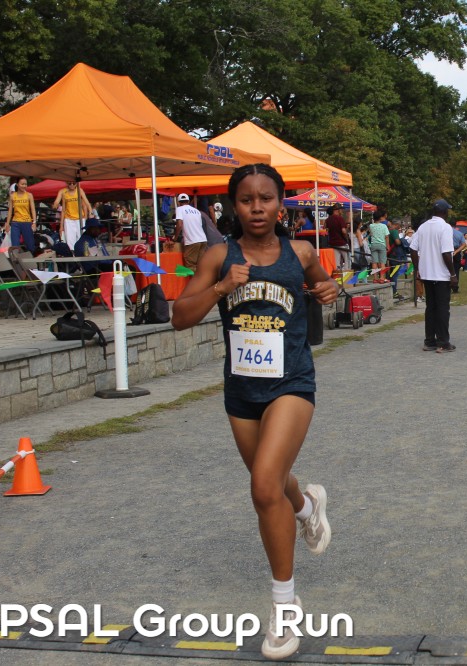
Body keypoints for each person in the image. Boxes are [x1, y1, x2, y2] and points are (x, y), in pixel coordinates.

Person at [171, 163, 338, 661]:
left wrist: (329, 290)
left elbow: (326, 286)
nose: (257, 208)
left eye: (266, 198)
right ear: (233, 206)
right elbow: (179, 317)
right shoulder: (218, 256)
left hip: (292, 382)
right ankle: (306, 507)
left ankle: (284, 609)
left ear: (280, 204)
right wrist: (222, 288)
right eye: (247, 200)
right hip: (242, 390)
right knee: (274, 481)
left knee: (264, 485)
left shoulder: (300, 252)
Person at [409, 200, 458, 351]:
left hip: (427, 274)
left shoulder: (423, 227)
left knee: (430, 308)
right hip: (441, 275)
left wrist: (417, 268)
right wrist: (453, 274)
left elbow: (413, 249)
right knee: (442, 309)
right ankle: (443, 342)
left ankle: (429, 341)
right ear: (444, 212)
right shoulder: (445, 227)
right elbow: (446, 253)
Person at [51, 180, 92, 251]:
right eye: (70, 183)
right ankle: (73, 254)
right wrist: (61, 226)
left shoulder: (79, 190)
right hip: (68, 219)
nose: (72, 185)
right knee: (70, 241)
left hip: (80, 219)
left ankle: (82, 253)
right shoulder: (63, 191)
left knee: (82, 238)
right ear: (66, 183)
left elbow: (87, 203)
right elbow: (60, 205)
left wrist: (90, 213)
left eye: (74, 183)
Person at [173, 193, 209, 272]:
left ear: (178, 202)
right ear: (188, 201)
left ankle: (195, 280)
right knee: (201, 266)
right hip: (203, 239)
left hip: (192, 241)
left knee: (191, 266)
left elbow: (179, 224)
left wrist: (175, 238)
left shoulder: (179, 209)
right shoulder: (197, 211)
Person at [4, 176, 38, 254]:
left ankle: (31, 259)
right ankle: (15, 259)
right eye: (22, 184)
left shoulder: (29, 195)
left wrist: (34, 222)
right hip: (15, 222)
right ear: (17, 184)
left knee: (30, 245)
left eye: (25, 184)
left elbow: (33, 209)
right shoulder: (13, 196)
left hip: (27, 222)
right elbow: (10, 211)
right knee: (15, 245)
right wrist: (7, 223)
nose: (24, 186)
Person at [325, 203, 349, 271]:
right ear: (338, 210)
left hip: (333, 243)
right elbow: (343, 231)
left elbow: (326, 230)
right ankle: (348, 275)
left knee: (336, 262)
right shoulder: (340, 218)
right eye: (341, 209)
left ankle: (337, 275)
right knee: (347, 261)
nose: (342, 211)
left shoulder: (328, 220)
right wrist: (346, 237)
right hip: (342, 243)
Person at [367, 209, 389, 282]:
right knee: (382, 262)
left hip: (373, 244)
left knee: (374, 262)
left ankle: (375, 278)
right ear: (380, 218)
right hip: (382, 244)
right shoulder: (384, 226)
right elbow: (386, 236)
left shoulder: (371, 226)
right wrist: (387, 246)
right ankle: (382, 277)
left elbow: (371, 233)